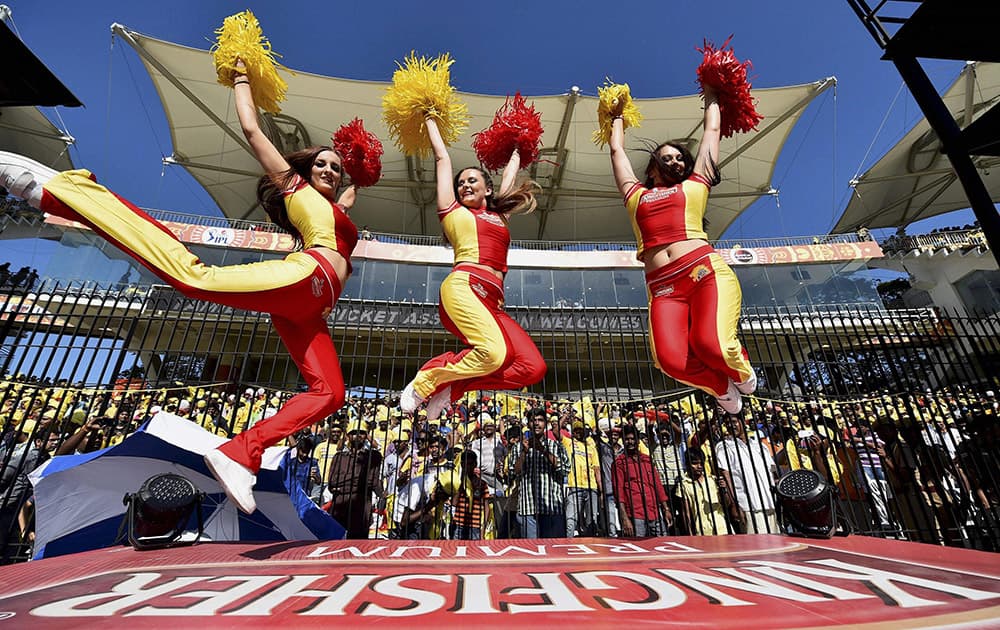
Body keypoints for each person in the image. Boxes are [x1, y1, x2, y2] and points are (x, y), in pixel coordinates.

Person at [0, 59, 359, 515]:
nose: (330, 170)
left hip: (310, 310)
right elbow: (251, 131)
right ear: (305, 170)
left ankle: (239, 453)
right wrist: (243, 78)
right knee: (193, 276)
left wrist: (360, 166)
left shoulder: (343, 208)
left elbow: (354, 187)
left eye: (336, 168)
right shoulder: (293, 188)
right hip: (305, 276)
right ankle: (59, 191)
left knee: (330, 394)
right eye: (322, 164)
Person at [606, 84, 755, 415]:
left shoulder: (696, 183)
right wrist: (616, 116)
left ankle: (742, 371)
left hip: (702, 272)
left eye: (679, 157)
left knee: (712, 345)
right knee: (670, 361)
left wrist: (713, 96)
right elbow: (617, 152)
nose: (674, 160)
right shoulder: (635, 196)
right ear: (652, 166)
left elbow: (712, 130)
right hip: (663, 288)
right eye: (666, 156)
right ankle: (721, 388)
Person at [399, 115, 546, 420]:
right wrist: (428, 116)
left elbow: (511, 173)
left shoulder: (500, 214)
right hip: (464, 287)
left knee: (532, 368)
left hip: (494, 303)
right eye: (461, 182)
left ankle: (453, 388)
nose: (464, 184)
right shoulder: (451, 212)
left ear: (488, 190)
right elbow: (442, 157)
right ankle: (429, 378)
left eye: (472, 180)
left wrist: (521, 142)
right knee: (494, 354)